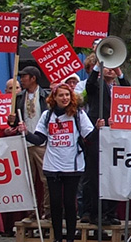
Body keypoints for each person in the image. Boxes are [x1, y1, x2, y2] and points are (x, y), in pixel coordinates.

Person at [23, 84, 97, 242]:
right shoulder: (47, 115)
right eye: (61, 95)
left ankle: (70, 238)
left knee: (70, 203)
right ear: (54, 98)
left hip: (72, 165)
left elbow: (89, 138)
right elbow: (39, 139)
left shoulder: (78, 114)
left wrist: (98, 128)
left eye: (67, 95)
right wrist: (25, 133)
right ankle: (57, 238)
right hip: (52, 165)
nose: (65, 98)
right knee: (55, 203)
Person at [81, 65, 128, 225]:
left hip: (117, 135)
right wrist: (97, 65)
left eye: (112, 68)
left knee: (114, 173)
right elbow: (89, 84)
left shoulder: (118, 86)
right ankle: (96, 212)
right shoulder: (96, 85)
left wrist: (120, 72)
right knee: (95, 175)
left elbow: (130, 92)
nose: (110, 70)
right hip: (98, 134)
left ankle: (110, 212)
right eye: (106, 67)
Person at [8, 66, 51, 222]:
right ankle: (32, 211)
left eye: (24, 77)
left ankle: (47, 211)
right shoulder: (19, 98)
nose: (22, 80)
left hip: (42, 142)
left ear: (33, 78)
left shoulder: (46, 97)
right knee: (28, 180)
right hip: (24, 142)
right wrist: (11, 122)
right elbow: (14, 123)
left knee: (46, 179)